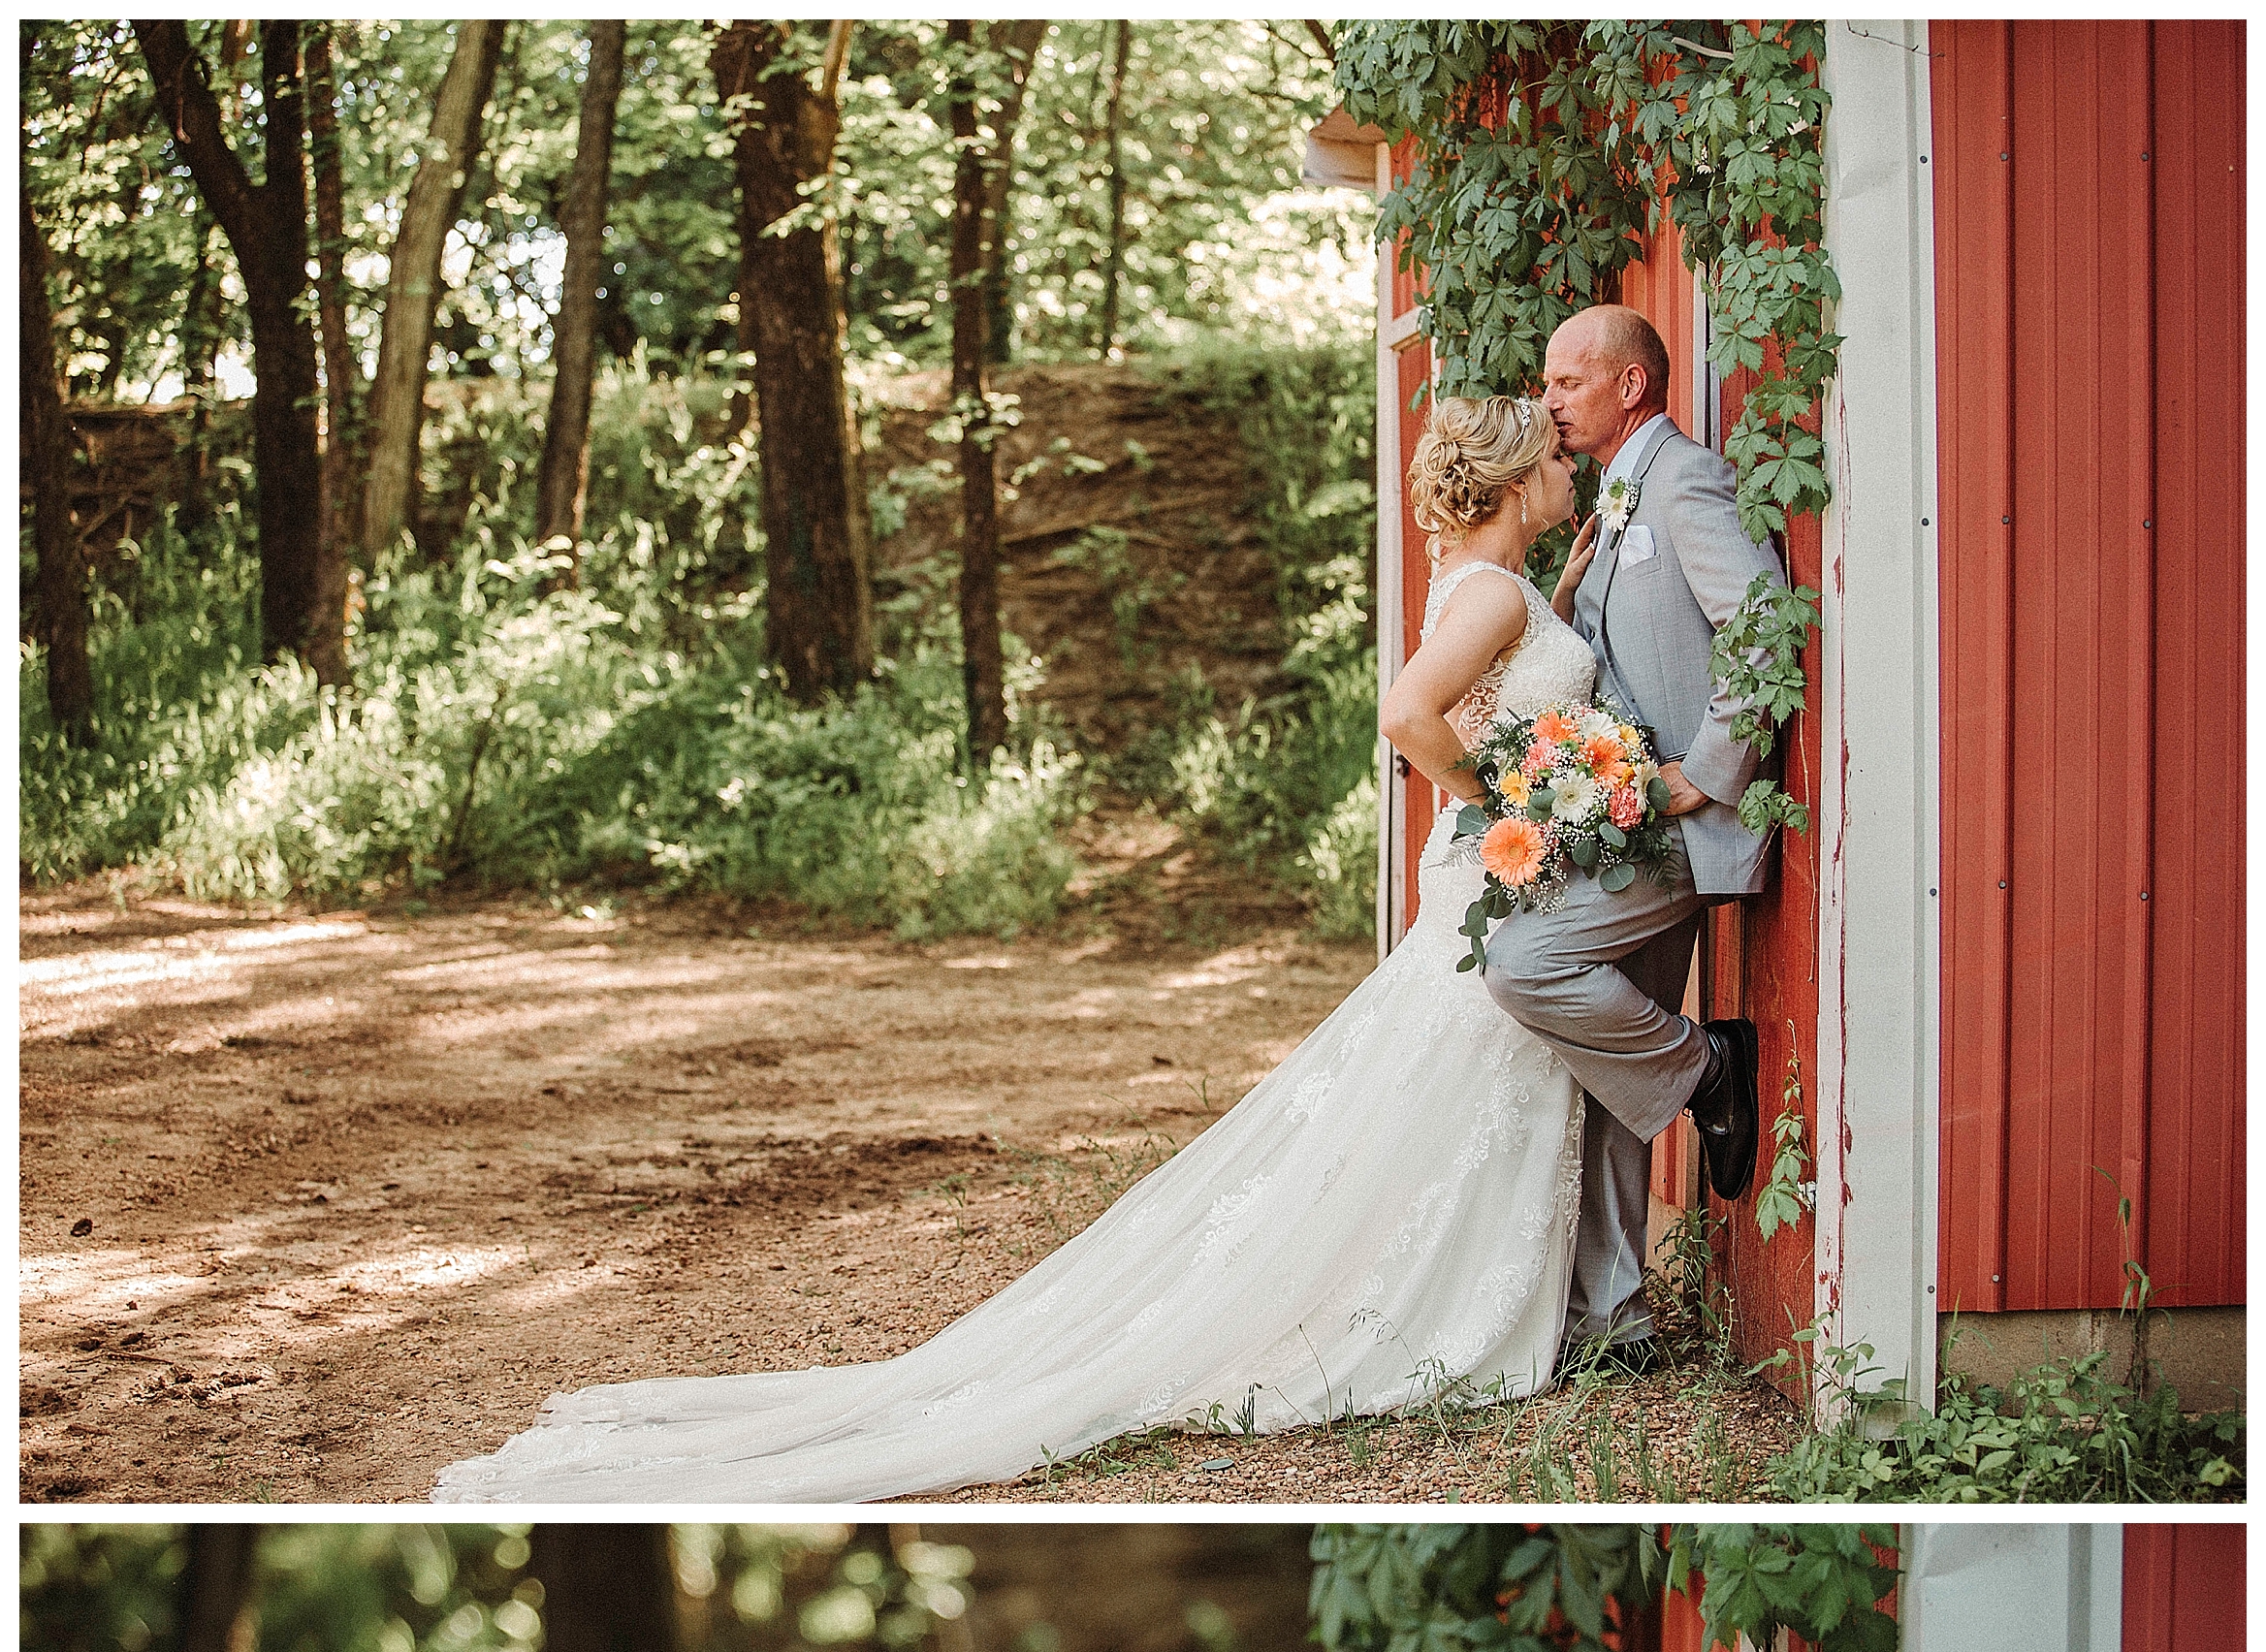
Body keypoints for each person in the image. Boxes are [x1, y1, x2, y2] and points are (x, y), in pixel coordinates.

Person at [431, 399, 1649, 1506]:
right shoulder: (1490, 596)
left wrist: (1566, 604)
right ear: (1506, 478)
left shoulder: (1486, 582)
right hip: (1492, 866)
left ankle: (1441, 1290)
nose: (1566, 464)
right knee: (1446, 1083)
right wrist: (1498, 797)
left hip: (1485, 884)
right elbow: (1407, 715)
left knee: (1428, 1099)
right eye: (1550, 457)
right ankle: (1420, 1307)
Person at [1482, 304, 1785, 1377]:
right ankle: (1616, 1323)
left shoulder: (1686, 480)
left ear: (1631, 388)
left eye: (1568, 382)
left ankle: (1708, 1066)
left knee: (1527, 962)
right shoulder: (1615, 493)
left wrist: (1705, 775)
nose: (1549, 398)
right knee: (1613, 1062)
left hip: (1680, 826)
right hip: (1620, 821)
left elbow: (1761, 626)